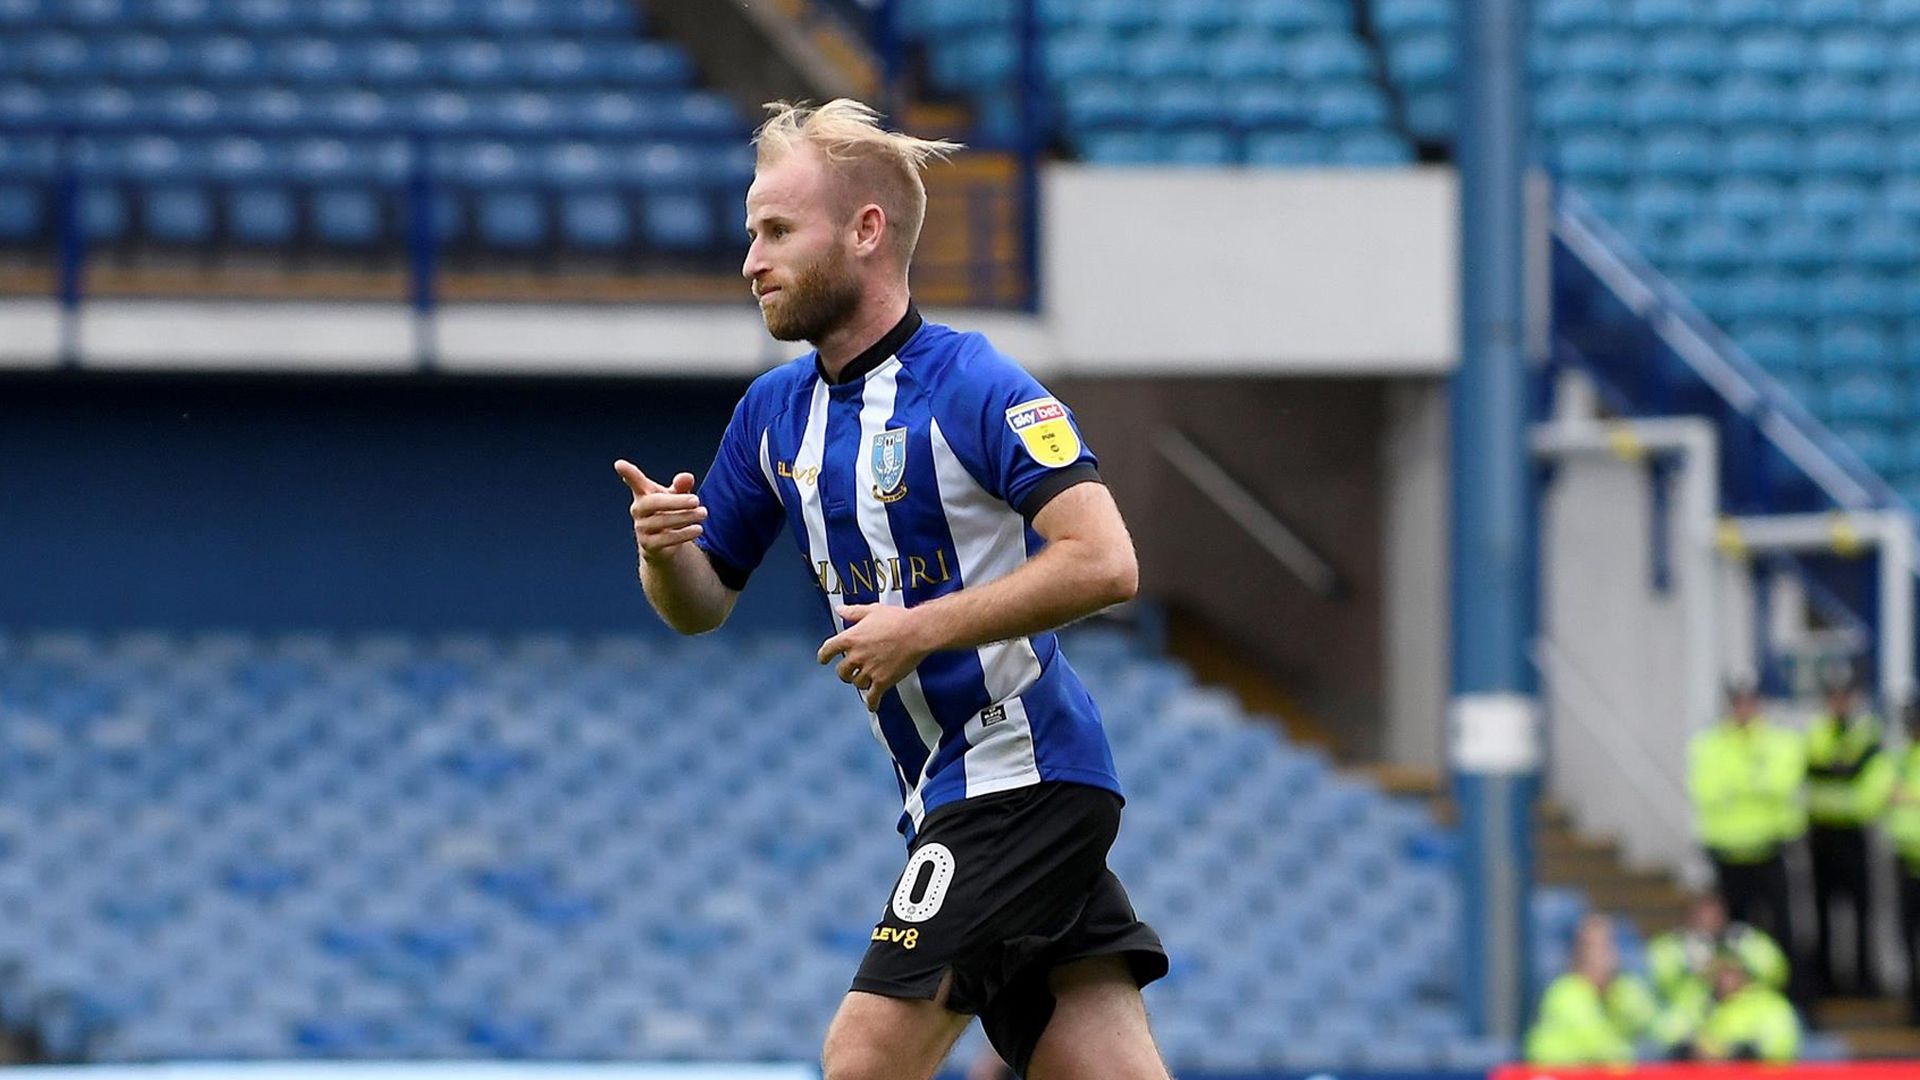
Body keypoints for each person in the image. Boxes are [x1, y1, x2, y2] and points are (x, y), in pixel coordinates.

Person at [614, 99, 1169, 1080]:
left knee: (865, 1056)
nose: (751, 260)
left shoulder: (975, 384)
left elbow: (1104, 561)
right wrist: (664, 553)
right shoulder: (773, 412)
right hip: (952, 790)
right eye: (752, 233)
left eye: (777, 231)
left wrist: (922, 628)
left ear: (865, 231)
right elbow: (702, 607)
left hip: (1019, 777)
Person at [1687, 680, 1805, 974]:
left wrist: (1735, 786)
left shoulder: (1779, 741)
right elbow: (1705, 790)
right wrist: (1756, 783)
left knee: (1780, 929)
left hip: (1770, 849)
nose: (1743, 708)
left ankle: (1786, 989)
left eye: (1749, 701)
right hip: (1727, 854)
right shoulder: (1709, 744)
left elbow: (1784, 783)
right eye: (1737, 701)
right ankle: (1735, 988)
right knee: (1731, 933)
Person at [1803, 671, 1893, 996]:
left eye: (1844, 696)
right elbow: (1815, 771)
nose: (1839, 702)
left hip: (1854, 833)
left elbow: (1874, 779)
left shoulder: (1867, 733)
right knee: (1822, 909)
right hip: (1821, 832)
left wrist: (1835, 772)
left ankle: (1864, 978)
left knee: (1862, 910)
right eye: (1834, 696)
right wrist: (1846, 772)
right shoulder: (1815, 733)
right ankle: (1825, 979)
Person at [1524, 914, 1658, 1065]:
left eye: (1607, 946)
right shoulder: (1565, 992)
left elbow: (1655, 1026)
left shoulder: (1622, 989)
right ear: (1578, 954)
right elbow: (1601, 1047)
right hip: (1554, 1071)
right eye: (1592, 948)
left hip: (1599, 1071)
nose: (1603, 957)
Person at [1674, 949, 1801, 1062]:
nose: (1723, 978)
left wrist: (1737, 1052)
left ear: (1745, 973)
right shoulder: (1700, 1000)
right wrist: (1693, 1048)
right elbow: (1676, 1034)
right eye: (1719, 972)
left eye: (1730, 971)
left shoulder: (1769, 1004)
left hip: (1753, 1073)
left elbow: (1780, 1050)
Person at [1880, 702, 1920, 1024]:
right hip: (1906, 861)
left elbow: (1896, 796)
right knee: (1908, 937)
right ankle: (1914, 1002)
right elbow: (1875, 795)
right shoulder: (1898, 760)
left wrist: (1906, 796)